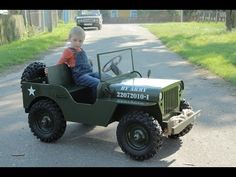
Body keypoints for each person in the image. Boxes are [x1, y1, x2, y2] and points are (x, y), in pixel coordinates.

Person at [56, 26, 100, 100]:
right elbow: (60, 63)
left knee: (105, 77)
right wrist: (49, 71)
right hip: (80, 77)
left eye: (80, 41)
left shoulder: (81, 50)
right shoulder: (69, 51)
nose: (77, 43)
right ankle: (96, 101)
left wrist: (88, 61)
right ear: (70, 38)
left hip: (89, 73)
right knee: (98, 83)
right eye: (75, 40)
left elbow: (83, 61)